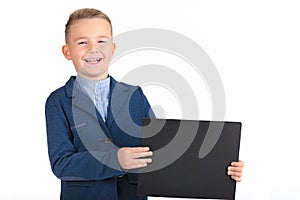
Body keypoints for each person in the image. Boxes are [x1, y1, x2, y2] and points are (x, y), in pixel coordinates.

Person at [45, 8, 244, 200]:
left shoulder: (134, 95)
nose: (93, 49)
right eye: (82, 42)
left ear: (112, 49)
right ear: (67, 51)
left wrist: (220, 170)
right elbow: (61, 163)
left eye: (102, 41)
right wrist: (114, 160)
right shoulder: (58, 102)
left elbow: (159, 151)